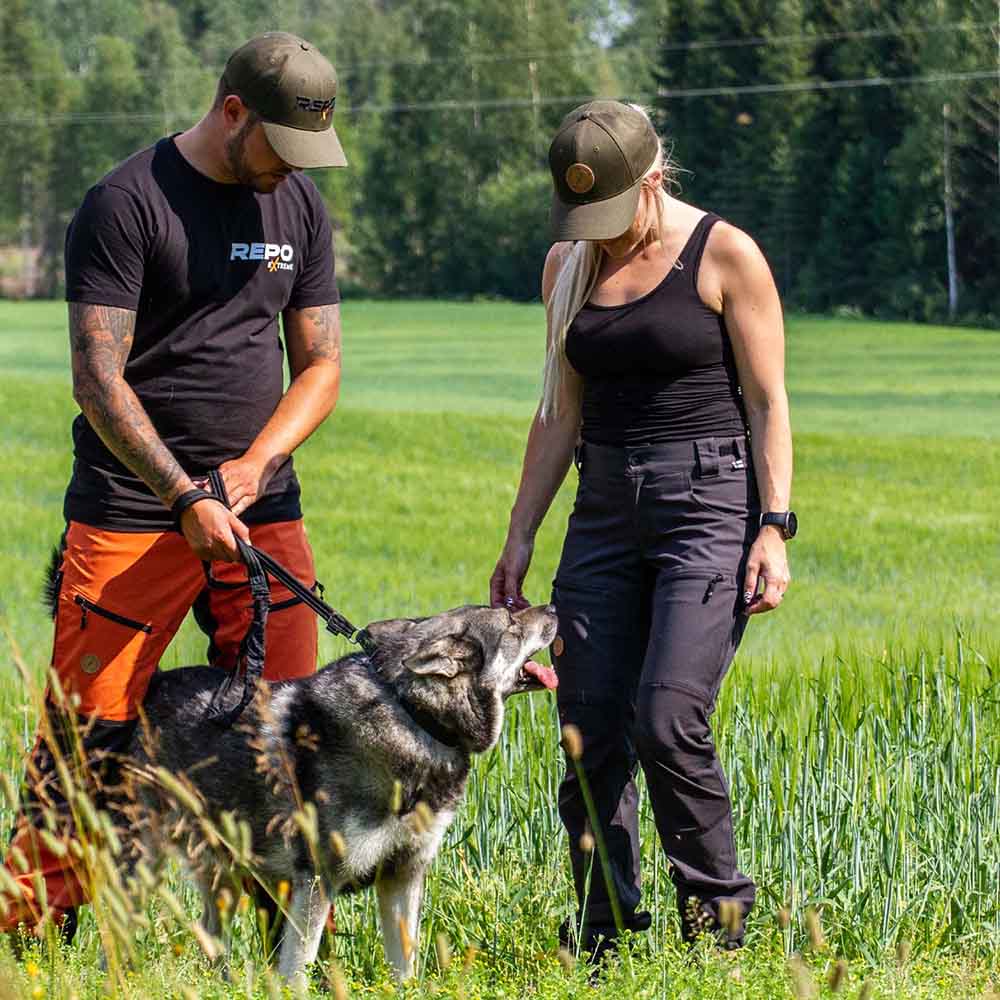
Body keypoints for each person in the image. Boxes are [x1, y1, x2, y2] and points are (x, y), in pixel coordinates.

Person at [1, 32, 347, 937]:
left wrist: (252, 468)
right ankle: (32, 928)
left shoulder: (299, 206)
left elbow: (320, 367)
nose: (292, 171)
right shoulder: (125, 203)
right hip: (130, 512)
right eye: (282, 146)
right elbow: (97, 379)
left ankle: (286, 929)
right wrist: (184, 496)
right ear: (234, 112)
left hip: (262, 509)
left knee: (288, 726)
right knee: (91, 730)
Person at [490, 100, 795, 954]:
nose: (602, 234)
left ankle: (720, 930)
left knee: (667, 718)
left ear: (652, 179)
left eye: (613, 216)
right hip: (602, 511)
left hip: (709, 504)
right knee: (586, 728)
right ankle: (604, 932)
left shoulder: (724, 253)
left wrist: (773, 528)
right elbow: (557, 414)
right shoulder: (567, 265)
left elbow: (768, 401)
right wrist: (520, 536)